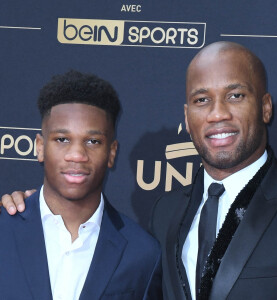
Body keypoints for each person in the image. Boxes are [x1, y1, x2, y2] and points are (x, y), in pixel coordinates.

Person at [3, 41, 277, 300]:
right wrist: (27, 211)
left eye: (235, 96)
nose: (218, 113)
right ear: (187, 115)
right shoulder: (165, 215)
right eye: (202, 100)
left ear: (265, 107)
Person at [0, 70, 162, 300]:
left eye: (92, 141)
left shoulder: (142, 254)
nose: (77, 155)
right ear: (40, 146)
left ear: (111, 153)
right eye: (62, 139)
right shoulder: (4, 228)